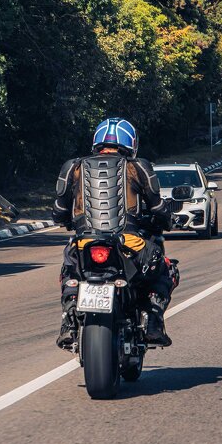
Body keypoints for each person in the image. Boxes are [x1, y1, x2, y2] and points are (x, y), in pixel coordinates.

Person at [52, 117, 178, 350]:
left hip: (83, 243)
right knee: (166, 269)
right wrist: (167, 219)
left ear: (96, 142)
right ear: (131, 143)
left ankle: (69, 320)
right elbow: (157, 206)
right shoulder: (138, 166)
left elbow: (58, 212)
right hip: (129, 243)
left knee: (70, 271)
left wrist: (71, 220)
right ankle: (153, 322)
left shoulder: (73, 167)